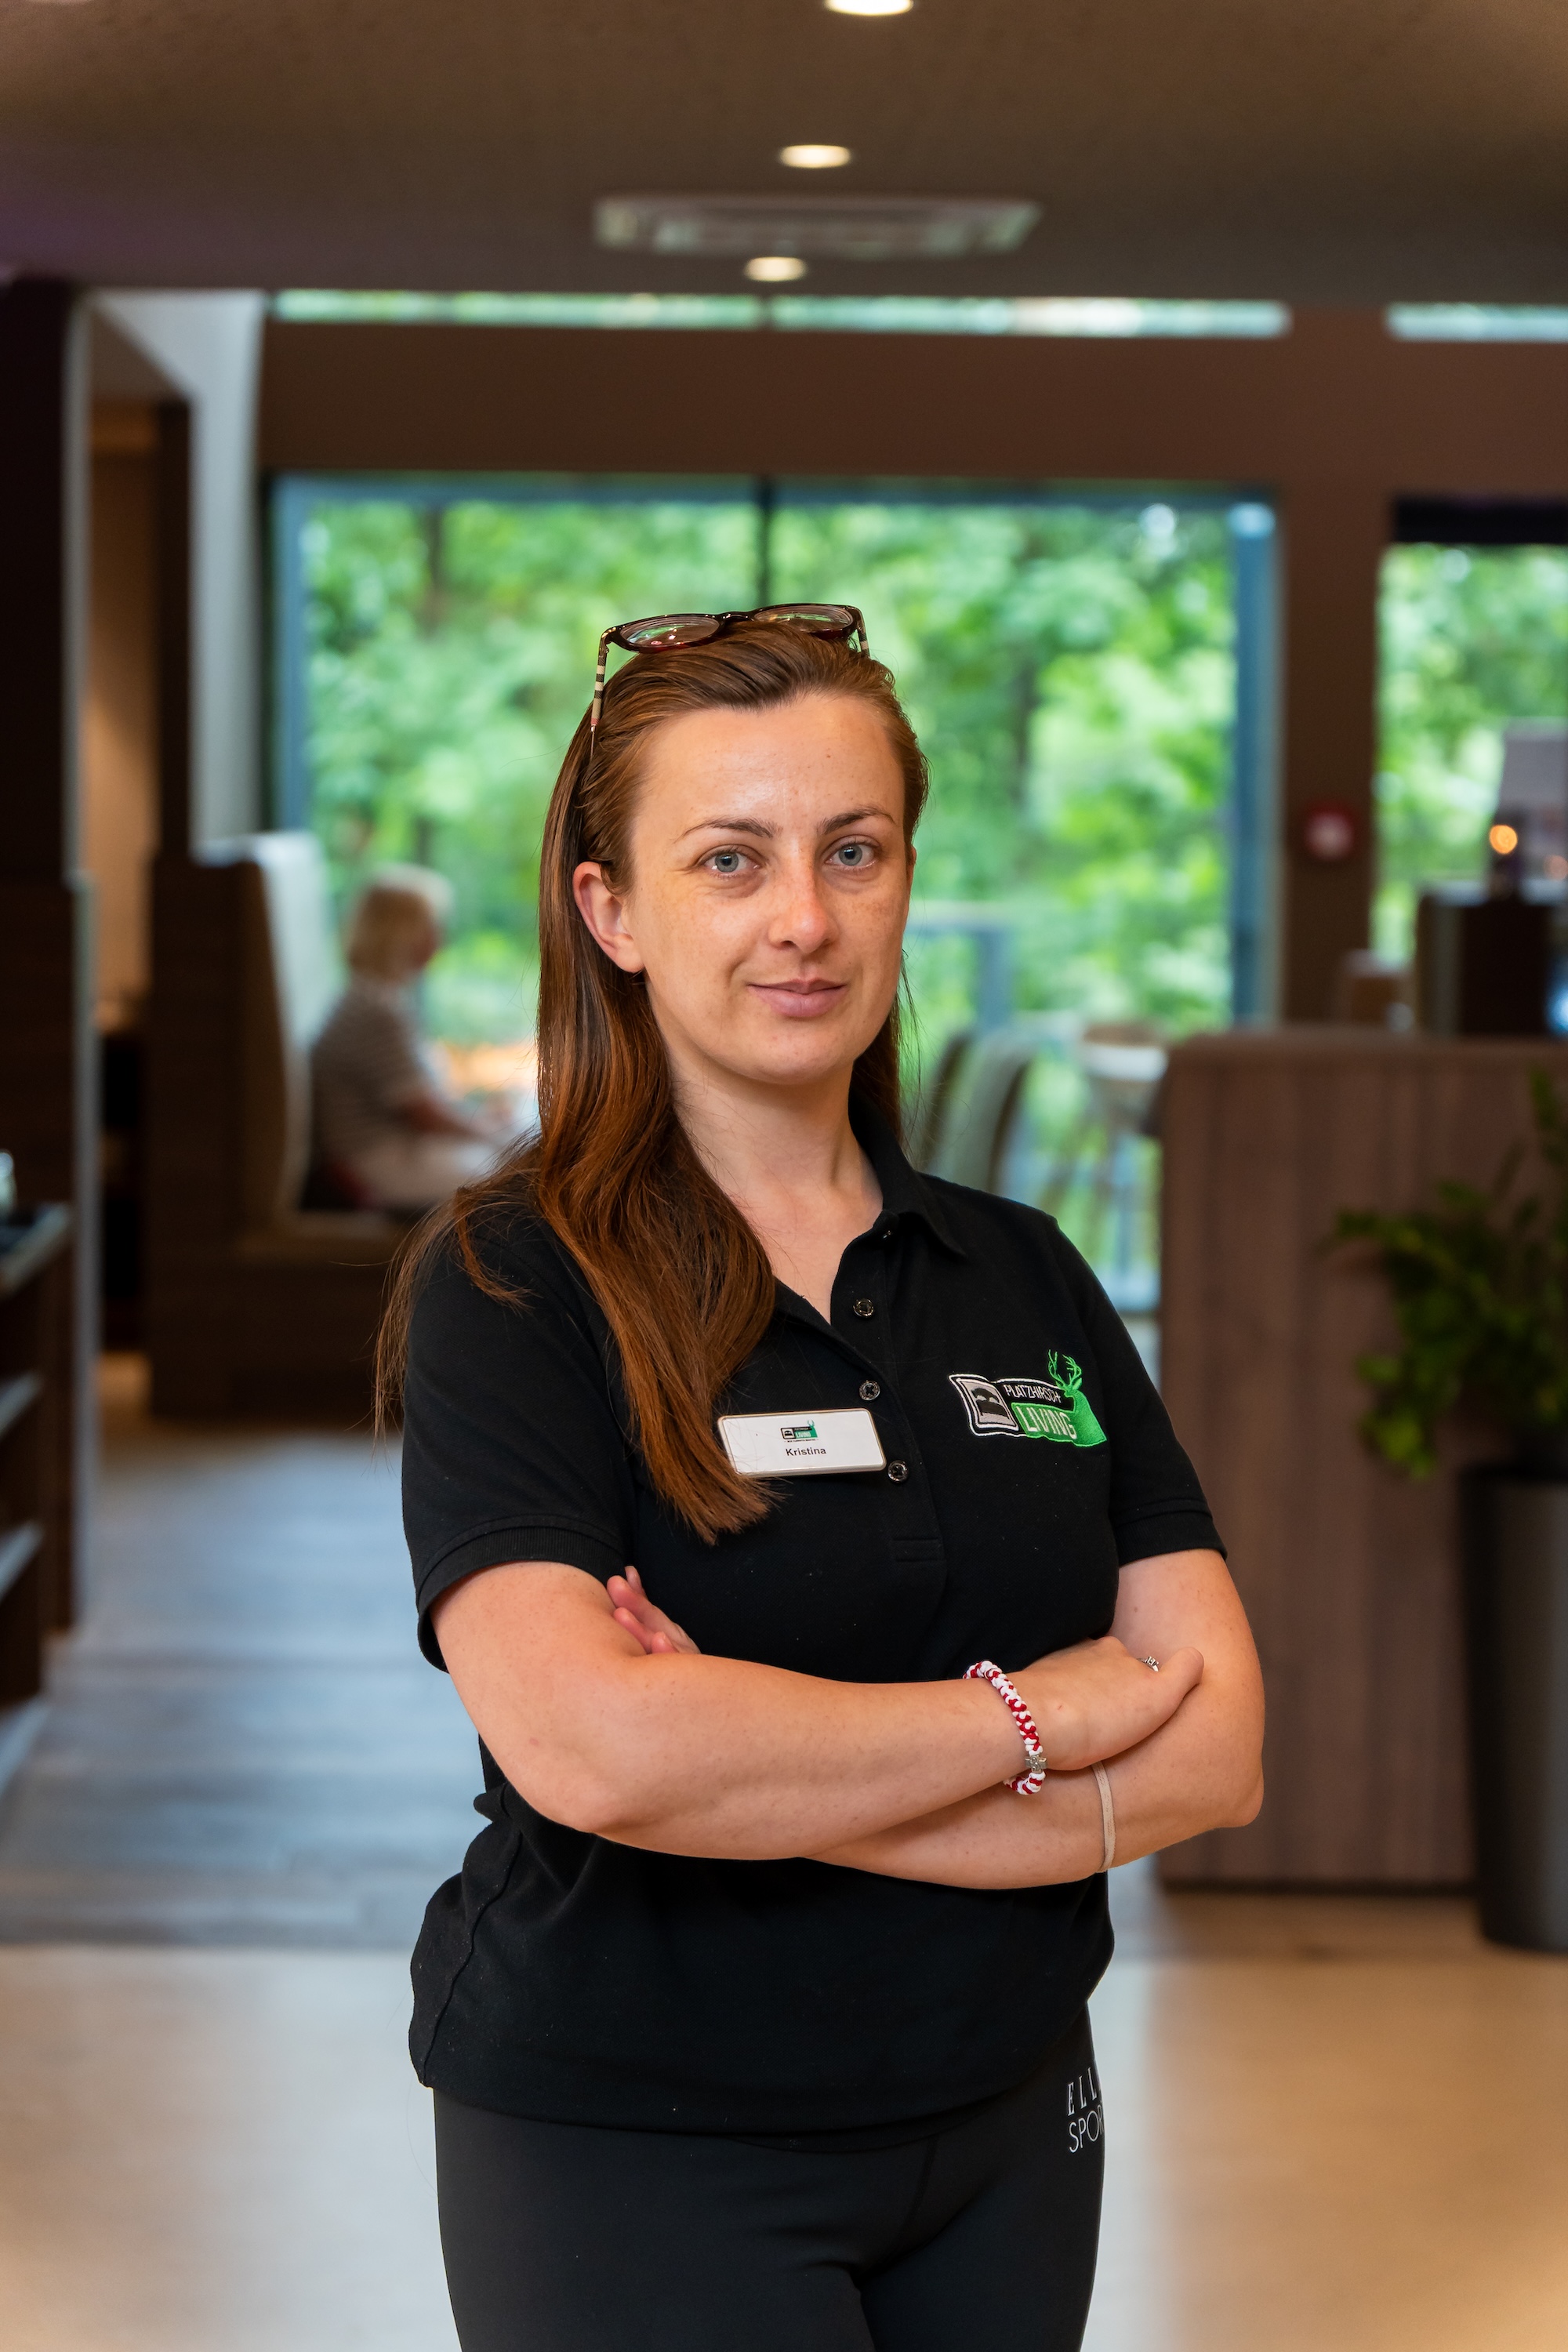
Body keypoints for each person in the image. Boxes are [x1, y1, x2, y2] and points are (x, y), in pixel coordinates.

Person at [382, 606, 1265, 2352]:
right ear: (609, 911)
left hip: (1013, 2112)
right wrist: (1050, 1720)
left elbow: (1219, 1742)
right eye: (730, 860)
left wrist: (755, 1767)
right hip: (635, 2132)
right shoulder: (510, 1282)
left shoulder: (1022, 1274)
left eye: (852, 851)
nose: (804, 917)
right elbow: (591, 1749)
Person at [311, 865, 497, 1211]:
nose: (439, 938)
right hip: (377, 1161)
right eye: (430, 926)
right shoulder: (377, 1010)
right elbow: (423, 1116)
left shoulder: (367, 995)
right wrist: (489, 1132)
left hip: (386, 1150)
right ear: (401, 932)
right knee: (513, 1173)